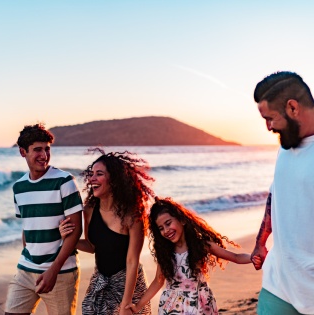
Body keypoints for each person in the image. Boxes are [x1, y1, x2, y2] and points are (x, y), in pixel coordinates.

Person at [59, 148, 155, 315]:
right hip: (100, 280)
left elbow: (132, 261)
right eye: (91, 173)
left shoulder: (132, 215)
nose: (92, 178)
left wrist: (126, 304)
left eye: (99, 174)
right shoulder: (89, 209)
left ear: (115, 180)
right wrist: (68, 238)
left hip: (128, 284)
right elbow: (92, 246)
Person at [125, 197, 258, 315]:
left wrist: (254, 257)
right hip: (172, 305)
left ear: (182, 220)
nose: (166, 230)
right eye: (161, 228)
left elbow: (235, 257)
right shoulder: (165, 253)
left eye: (168, 223)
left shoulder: (200, 245)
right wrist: (137, 306)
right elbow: (158, 282)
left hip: (199, 302)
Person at [251, 71, 314, 315]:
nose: (268, 127)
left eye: (271, 118)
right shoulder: (287, 145)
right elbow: (276, 194)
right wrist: (260, 242)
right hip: (279, 284)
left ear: (293, 107)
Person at [4, 123, 84, 315]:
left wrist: (53, 270)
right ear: (23, 152)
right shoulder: (19, 187)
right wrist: (28, 253)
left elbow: (76, 230)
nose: (44, 155)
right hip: (26, 268)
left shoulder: (64, 182)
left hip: (61, 271)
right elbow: (28, 226)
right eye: (37, 150)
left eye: (47, 149)